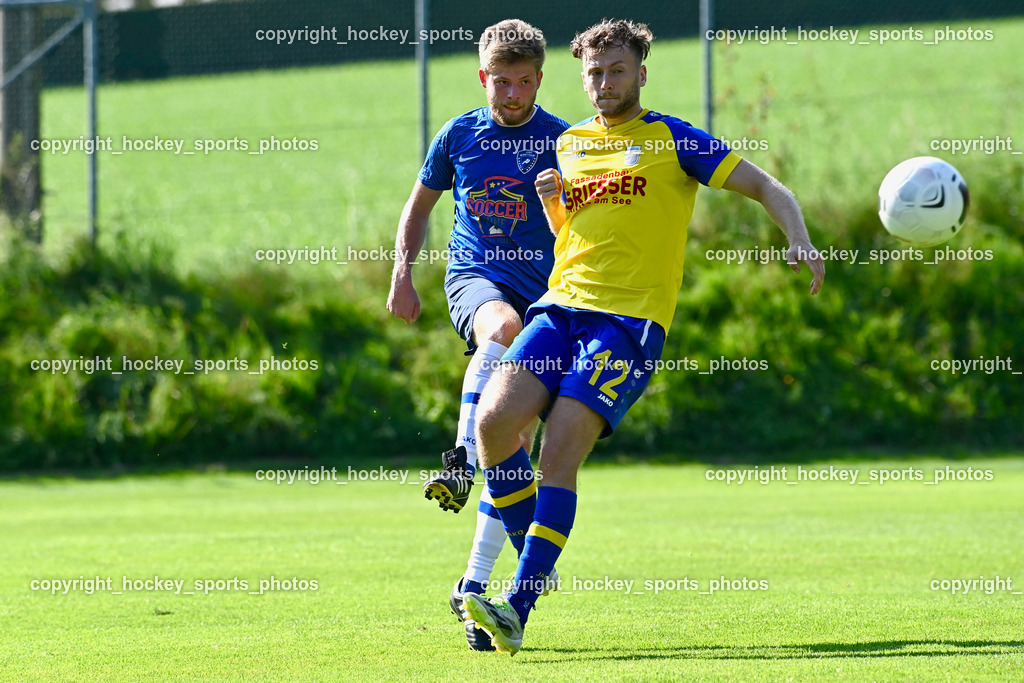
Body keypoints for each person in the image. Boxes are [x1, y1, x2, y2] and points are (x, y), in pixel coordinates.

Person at [461, 18, 826, 655]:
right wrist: (554, 202)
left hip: (627, 325)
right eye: (595, 74)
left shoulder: (671, 140)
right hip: (558, 310)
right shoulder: (569, 142)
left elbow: (766, 186)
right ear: (582, 78)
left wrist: (798, 235)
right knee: (494, 426)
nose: (605, 83)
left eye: (617, 71)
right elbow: (573, 235)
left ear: (641, 73)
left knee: (556, 460)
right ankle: (530, 568)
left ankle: (517, 603)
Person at [385, 18, 570, 651]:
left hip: (549, 293)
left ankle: (473, 589)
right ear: (482, 76)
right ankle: (460, 458)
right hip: (477, 277)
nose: (512, 94)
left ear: (540, 80)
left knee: (515, 448)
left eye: (524, 83)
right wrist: (402, 275)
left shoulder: (562, 140)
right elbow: (419, 207)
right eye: (501, 82)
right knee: (502, 325)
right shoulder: (460, 134)